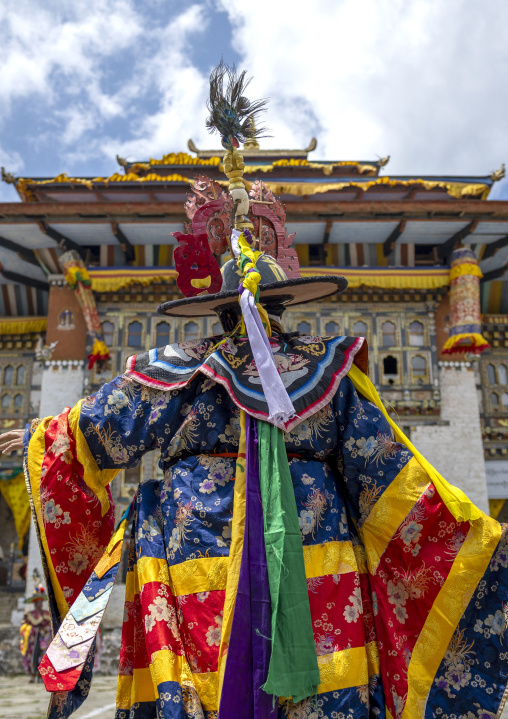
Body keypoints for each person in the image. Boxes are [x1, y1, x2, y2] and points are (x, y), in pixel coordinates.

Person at [2, 64, 508, 719]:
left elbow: (390, 474)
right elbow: (105, 420)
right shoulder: (184, 370)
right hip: (205, 579)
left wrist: (470, 536)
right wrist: (45, 435)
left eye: (258, 302)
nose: (251, 318)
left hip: (307, 575)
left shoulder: (323, 372)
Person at [19, 584, 51, 683]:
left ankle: (42, 676)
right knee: (33, 656)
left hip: (44, 640)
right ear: (34, 603)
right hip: (33, 640)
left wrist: (46, 629)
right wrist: (33, 629)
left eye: (41, 601)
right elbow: (24, 626)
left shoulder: (46, 613)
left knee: (44, 657)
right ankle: (32, 675)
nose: (39, 604)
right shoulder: (29, 615)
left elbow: (50, 624)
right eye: (37, 602)